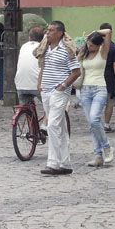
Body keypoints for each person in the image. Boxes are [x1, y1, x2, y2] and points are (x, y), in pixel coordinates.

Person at [37, 21, 81, 175]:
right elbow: (43, 67)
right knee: (60, 127)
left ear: (60, 33)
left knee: (52, 125)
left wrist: (63, 85)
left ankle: (53, 163)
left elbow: (76, 71)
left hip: (59, 91)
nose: (48, 33)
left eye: (51, 30)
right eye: (47, 30)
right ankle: (65, 163)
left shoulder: (67, 50)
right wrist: (40, 83)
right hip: (46, 90)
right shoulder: (46, 48)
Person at [78, 29, 114, 167]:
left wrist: (94, 32)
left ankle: (107, 146)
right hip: (85, 90)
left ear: (99, 45)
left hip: (99, 88)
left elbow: (108, 31)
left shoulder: (102, 52)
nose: (89, 46)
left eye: (92, 45)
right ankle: (98, 155)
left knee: (94, 119)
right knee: (92, 125)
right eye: (88, 44)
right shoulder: (84, 53)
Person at [15, 26, 46, 124]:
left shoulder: (23, 46)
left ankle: (31, 128)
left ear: (29, 37)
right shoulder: (42, 47)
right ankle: (45, 125)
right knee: (49, 107)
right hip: (37, 85)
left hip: (20, 85)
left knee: (27, 109)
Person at [99, 22, 115, 133]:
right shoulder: (113, 48)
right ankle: (106, 124)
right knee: (109, 102)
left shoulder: (95, 46)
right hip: (110, 77)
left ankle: (95, 123)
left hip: (97, 75)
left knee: (97, 101)